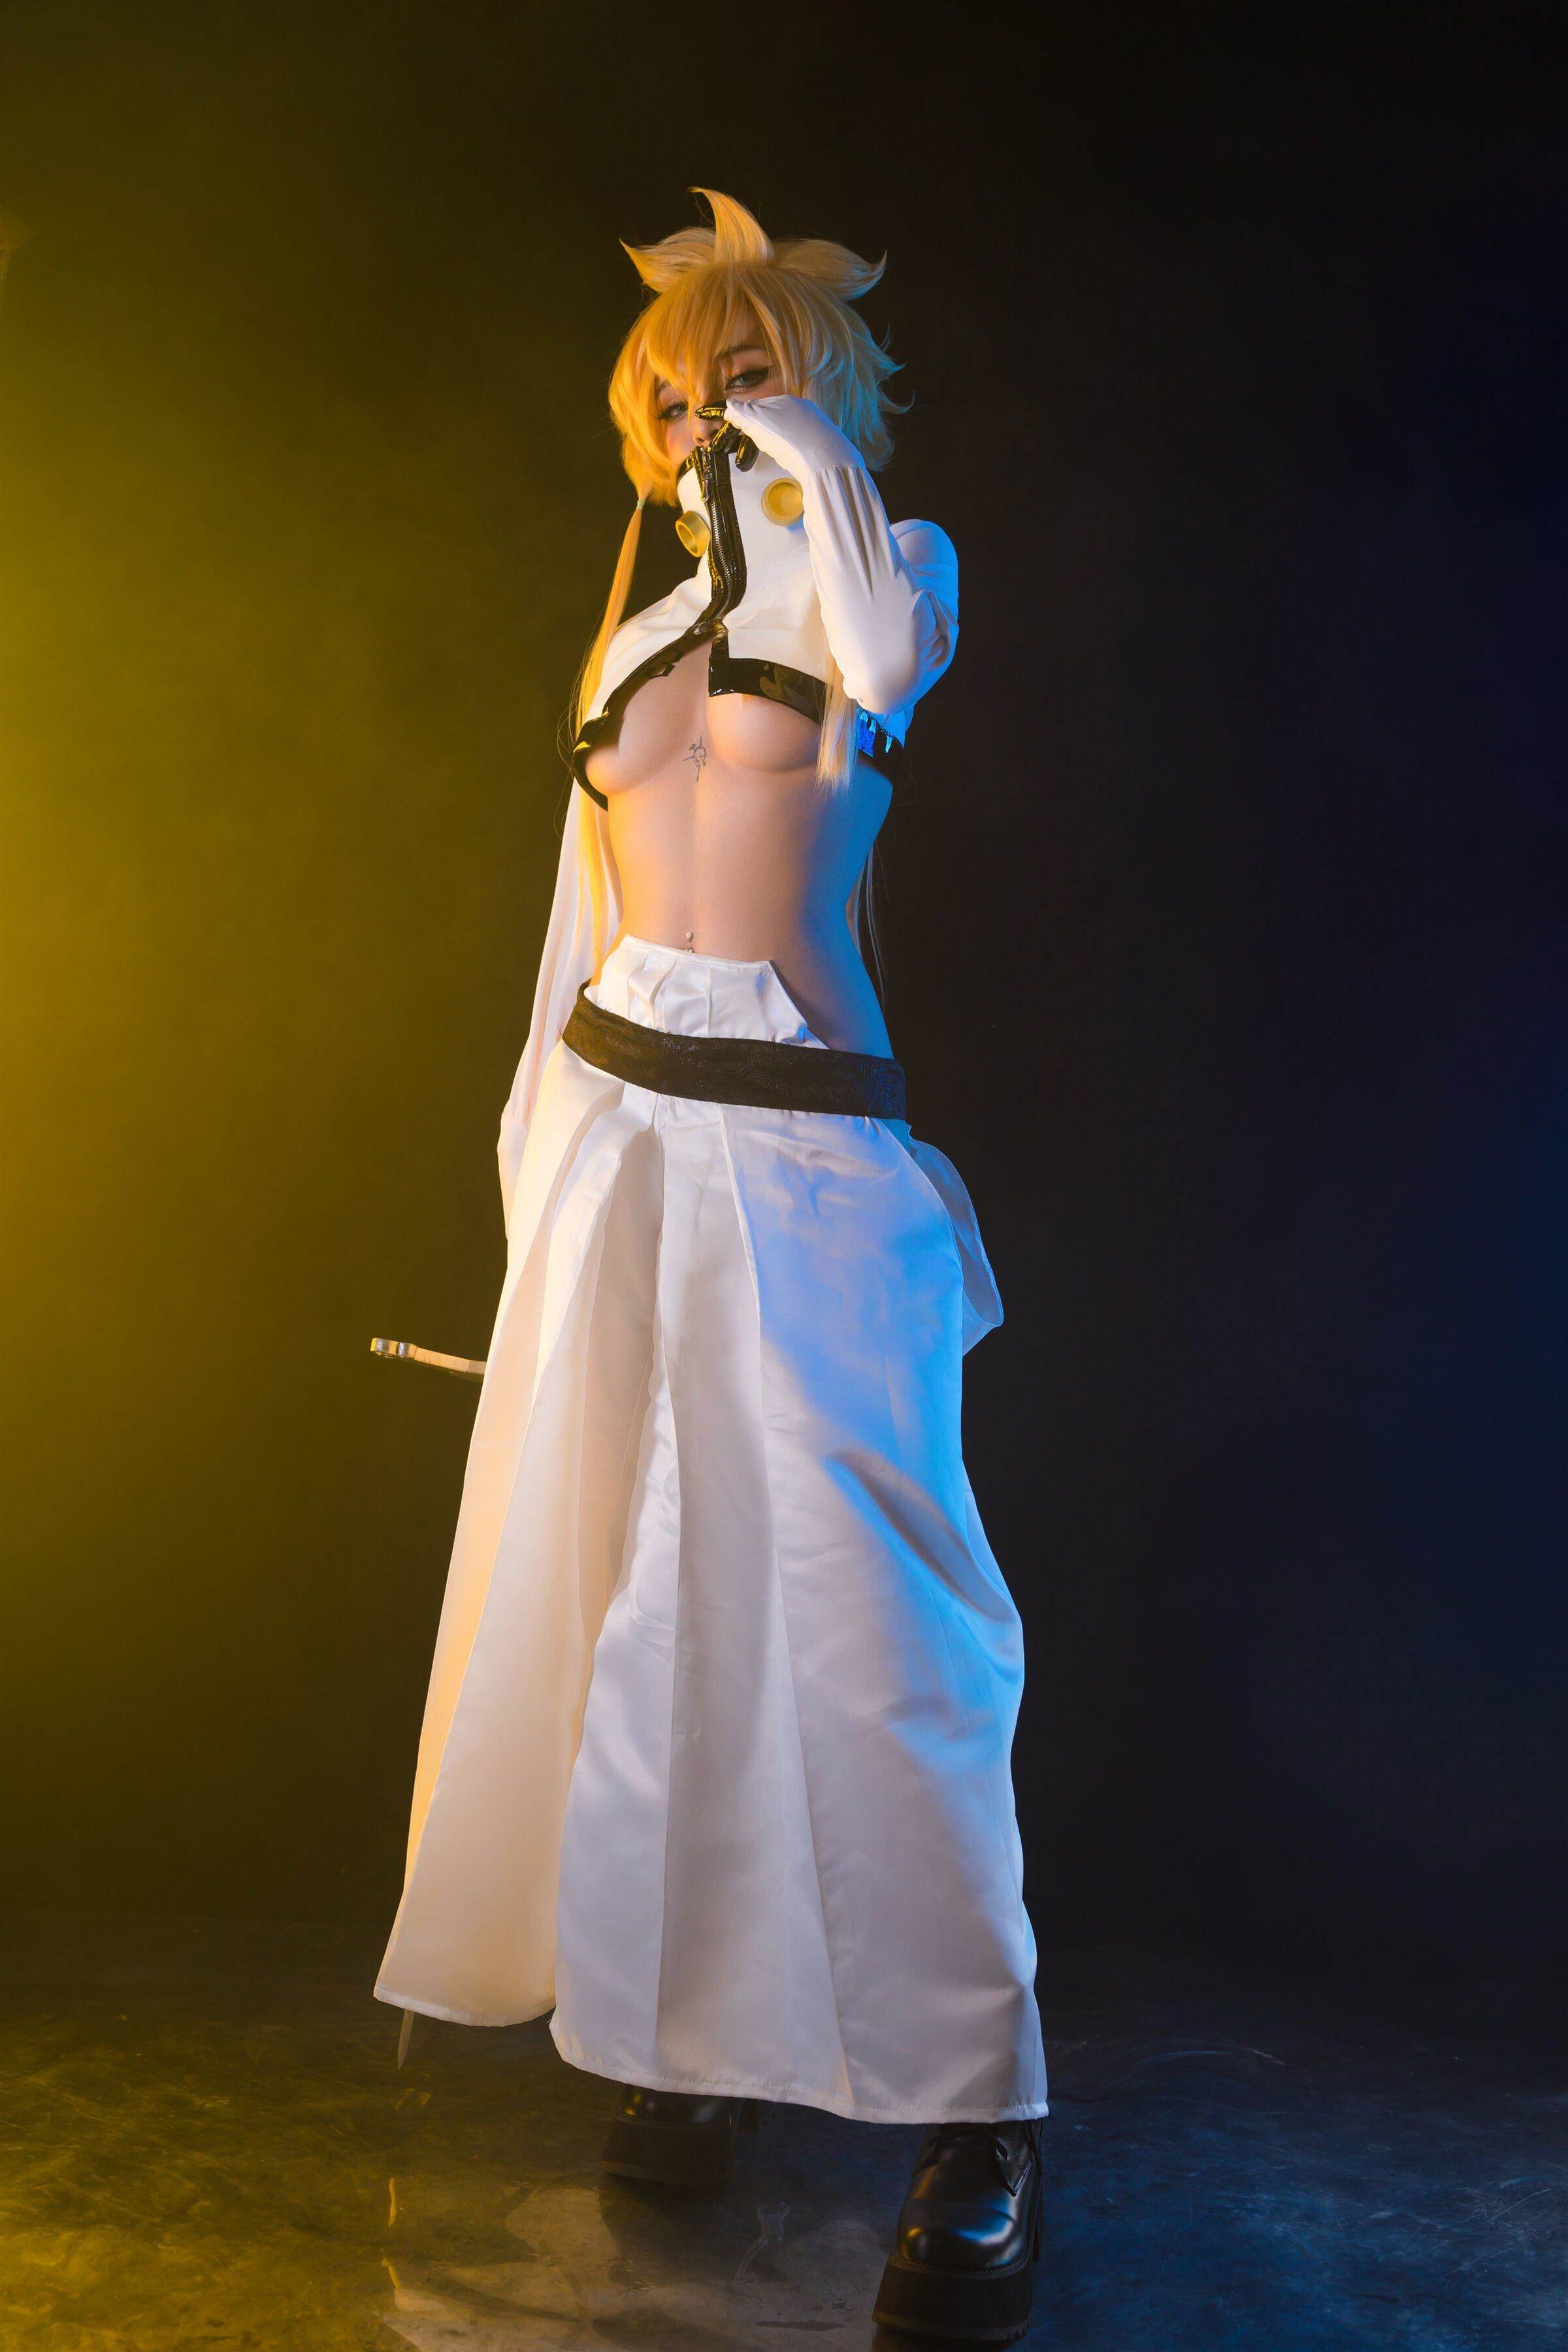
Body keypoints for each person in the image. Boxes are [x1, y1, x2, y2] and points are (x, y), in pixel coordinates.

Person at [374, 187, 1049, 2342]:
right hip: (623, 1150)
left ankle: (980, 2118)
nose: (701, 415)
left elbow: (875, 663)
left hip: (809, 1158)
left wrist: (791, 441)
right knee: (645, 1610)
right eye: (673, 392)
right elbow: (577, 929)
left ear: (823, 393)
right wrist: (538, 1192)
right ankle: (691, 2050)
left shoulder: (891, 564)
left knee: (880, 1630)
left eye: (742, 373)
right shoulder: (646, 622)